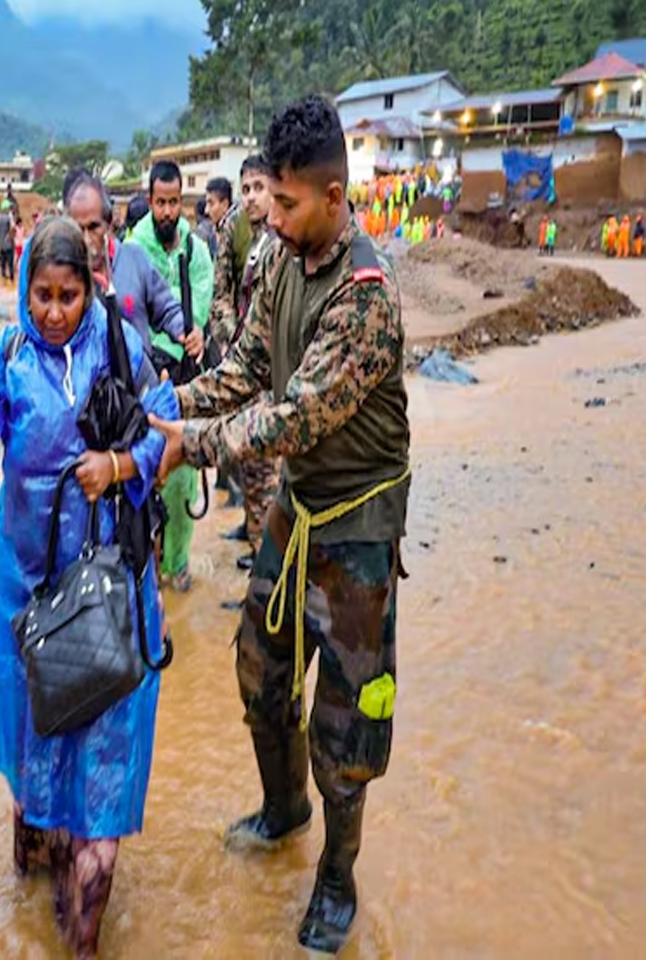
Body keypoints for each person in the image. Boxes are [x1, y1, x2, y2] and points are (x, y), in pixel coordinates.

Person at [150, 95, 410, 955]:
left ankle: (336, 878)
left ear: (335, 197)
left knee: (346, 724)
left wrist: (188, 445)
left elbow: (291, 417)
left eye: (287, 202)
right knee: (260, 672)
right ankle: (283, 807)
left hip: (357, 533)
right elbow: (248, 367)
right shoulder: (278, 262)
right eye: (270, 198)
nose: (271, 212)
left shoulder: (367, 297)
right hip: (294, 512)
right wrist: (163, 407)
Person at [0, 216, 177, 959]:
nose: (55, 311)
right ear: (25, 291)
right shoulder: (6, 356)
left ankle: (81, 939)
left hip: (111, 593)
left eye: (69, 295)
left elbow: (167, 427)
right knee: (36, 750)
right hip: (25, 592)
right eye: (43, 295)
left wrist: (118, 468)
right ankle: (37, 865)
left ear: (91, 287)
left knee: (105, 756)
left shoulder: (122, 347)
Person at [126, 160, 214, 593]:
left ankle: (177, 568)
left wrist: (191, 336)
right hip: (146, 378)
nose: (167, 211)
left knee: (181, 477)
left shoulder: (197, 251)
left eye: (174, 202)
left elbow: (197, 306)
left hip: (187, 376)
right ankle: (146, 571)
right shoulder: (135, 247)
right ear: (148, 201)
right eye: (160, 203)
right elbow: (133, 313)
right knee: (142, 475)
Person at [212, 155, 280, 594]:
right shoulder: (234, 231)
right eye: (246, 188)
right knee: (248, 461)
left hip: (271, 373)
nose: (252, 197)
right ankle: (254, 537)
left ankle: (265, 571)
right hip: (240, 359)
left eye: (259, 187)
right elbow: (221, 291)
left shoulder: (285, 236)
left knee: (266, 466)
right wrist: (229, 339)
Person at [63, 169, 199, 379]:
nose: (86, 238)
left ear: (108, 224)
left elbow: (166, 309)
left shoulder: (134, 258)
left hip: (137, 388)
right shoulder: (62, 275)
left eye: (93, 227)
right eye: (77, 229)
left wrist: (187, 331)